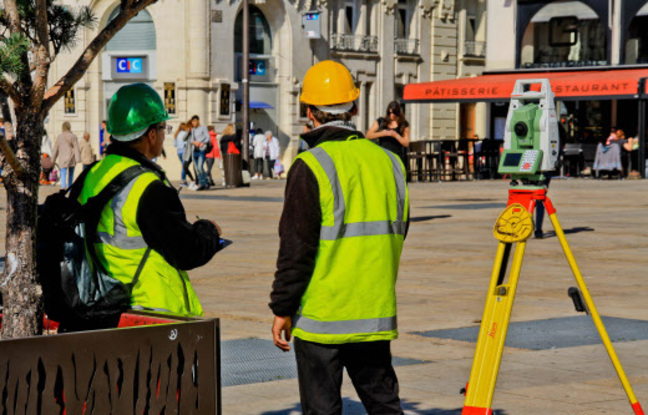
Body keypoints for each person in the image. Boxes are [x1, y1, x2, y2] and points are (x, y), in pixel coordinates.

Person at [270, 60, 409, 414]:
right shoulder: (390, 162)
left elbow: (296, 247)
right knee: (385, 407)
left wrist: (283, 307)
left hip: (322, 320)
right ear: (356, 108)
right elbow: (399, 228)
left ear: (310, 113)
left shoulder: (311, 165)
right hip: (374, 314)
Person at [80, 82, 222, 316]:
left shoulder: (93, 174)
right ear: (151, 134)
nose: (164, 135)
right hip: (152, 311)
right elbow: (186, 251)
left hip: (103, 303)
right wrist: (209, 231)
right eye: (164, 128)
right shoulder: (148, 187)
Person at [366, 101, 411, 165]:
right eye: (390, 113)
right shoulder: (381, 121)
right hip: (383, 156)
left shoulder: (403, 124)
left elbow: (406, 143)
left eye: (394, 113)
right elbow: (368, 135)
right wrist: (383, 133)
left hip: (396, 157)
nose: (392, 115)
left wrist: (396, 135)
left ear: (398, 112)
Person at [52, 121, 81, 189]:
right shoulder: (73, 136)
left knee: (63, 173)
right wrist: (78, 159)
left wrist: (53, 158)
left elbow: (56, 148)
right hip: (71, 157)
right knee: (71, 174)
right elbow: (76, 148)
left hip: (62, 158)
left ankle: (63, 187)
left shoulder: (60, 136)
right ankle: (70, 188)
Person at [190, 115, 211, 190]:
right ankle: (202, 184)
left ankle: (206, 181)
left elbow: (208, 137)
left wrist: (202, 142)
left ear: (198, 121)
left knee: (200, 167)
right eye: (192, 122)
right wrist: (194, 142)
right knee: (197, 169)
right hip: (194, 151)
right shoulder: (193, 130)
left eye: (194, 121)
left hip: (201, 150)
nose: (193, 123)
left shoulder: (203, 128)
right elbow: (191, 139)